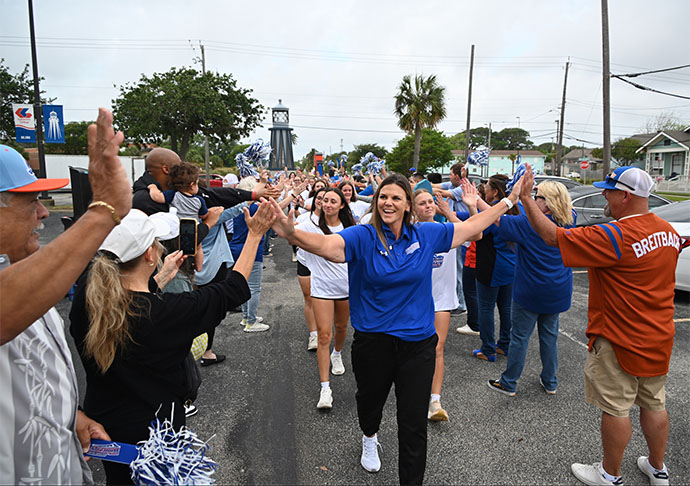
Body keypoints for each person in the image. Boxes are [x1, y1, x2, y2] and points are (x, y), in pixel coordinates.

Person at [269, 173, 522, 485]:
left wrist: (509, 201)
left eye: (396, 198)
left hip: (417, 345)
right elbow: (327, 245)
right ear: (376, 202)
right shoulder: (363, 236)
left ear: (407, 206)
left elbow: (471, 228)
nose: (388, 202)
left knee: (413, 423)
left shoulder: (426, 234)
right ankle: (369, 436)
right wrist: (291, 233)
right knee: (369, 403)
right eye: (383, 197)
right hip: (373, 343)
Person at [69, 204, 275, 485]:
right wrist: (255, 235)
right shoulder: (168, 313)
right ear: (150, 254)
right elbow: (232, 289)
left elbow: (128, 302)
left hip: (105, 429)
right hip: (155, 437)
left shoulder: (88, 300)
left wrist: (161, 277)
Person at [518, 165, 680, 486]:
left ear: (625, 196)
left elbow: (552, 236)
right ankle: (658, 468)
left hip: (619, 336)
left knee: (617, 408)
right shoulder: (668, 231)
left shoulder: (615, 234)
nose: (604, 194)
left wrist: (525, 197)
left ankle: (610, 474)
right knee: (654, 402)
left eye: (609, 189)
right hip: (659, 334)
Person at [0, 109, 131, 484]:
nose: (43, 213)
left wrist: (70, 416)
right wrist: (103, 210)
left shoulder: (28, 273)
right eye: (30, 202)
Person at [485, 181, 576, 397]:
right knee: (549, 336)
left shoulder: (527, 224)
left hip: (531, 290)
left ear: (549, 203)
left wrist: (477, 200)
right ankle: (550, 381)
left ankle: (509, 382)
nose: (535, 200)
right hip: (558, 289)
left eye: (539, 197)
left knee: (520, 337)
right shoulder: (570, 219)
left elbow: (494, 217)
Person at [413, 187, 479, 422]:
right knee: (413, 349)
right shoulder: (409, 233)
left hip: (441, 300)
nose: (428, 206)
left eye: (431, 202)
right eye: (422, 203)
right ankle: (413, 391)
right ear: (413, 208)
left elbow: (476, 235)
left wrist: (462, 209)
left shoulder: (446, 230)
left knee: (437, 348)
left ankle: (435, 400)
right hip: (414, 300)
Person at [297, 187, 354, 409]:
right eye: (325, 200)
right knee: (324, 335)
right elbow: (290, 232)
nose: (328, 204)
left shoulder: (350, 227)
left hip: (345, 287)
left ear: (341, 205)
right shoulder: (309, 225)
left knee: (341, 327)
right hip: (320, 287)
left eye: (333, 201)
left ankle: (337, 354)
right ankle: (325, 389)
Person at [457, 174, 519, 362]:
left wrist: (468, 204)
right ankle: (504, 345)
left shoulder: (493, 213)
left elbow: (475, 227)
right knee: (506, 308)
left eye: (488, 187)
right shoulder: (517, 209)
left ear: (495, 191)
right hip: (511, 266)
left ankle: (488, 349)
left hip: (492, 267)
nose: (485, 190)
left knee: (486, 308)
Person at [148, 161, 211, 271]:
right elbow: (204, 215)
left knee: (177, 250)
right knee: (199, 247)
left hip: (177, 230)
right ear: (192, 185)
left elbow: (157, 197)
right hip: (193, 229)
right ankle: (199, 267)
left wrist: (152, 187)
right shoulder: (199, 200)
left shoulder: (173, 195)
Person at [295, 187, 327, 351]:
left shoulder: (335, 221)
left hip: (327, 266)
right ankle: (313, 334)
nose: (322, 201)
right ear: (315, 201)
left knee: (327, 299)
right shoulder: (304, 219)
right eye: (320, 198)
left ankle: (325, 330)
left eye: (326, 198)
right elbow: (291, 236)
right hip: (305, 263)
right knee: (309, 299)